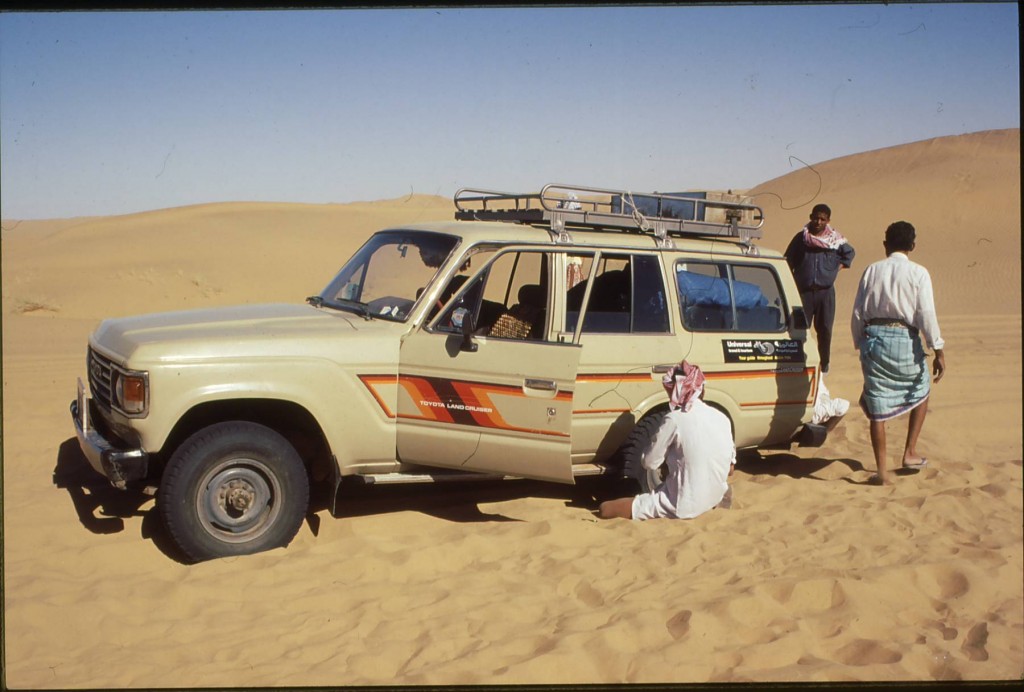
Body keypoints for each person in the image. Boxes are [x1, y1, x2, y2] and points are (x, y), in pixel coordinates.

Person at [851, 221, 946, 486]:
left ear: (885, 245)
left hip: (873, 340)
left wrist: (861, 344)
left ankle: (882, 470)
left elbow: (858, 312)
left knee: (877, 403)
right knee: (922, 390)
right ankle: (910, 452)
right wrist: (937, 348)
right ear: (912, 246)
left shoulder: (872, 270)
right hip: (905, 338)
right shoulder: (919, 273)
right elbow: (926, 314)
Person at [598, 361, 736, 520]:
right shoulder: (722, 417)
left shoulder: (674, 419)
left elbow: (649, 463)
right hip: (715, 495)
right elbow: (730, 469)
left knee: (605, 509)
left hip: (681, 505)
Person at [784, 203, 856, 375]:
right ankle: (799, 363)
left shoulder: (835, 240)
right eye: (815, 217)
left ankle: (824, 365)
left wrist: (834, 269)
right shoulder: (801, 239)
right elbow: (788, 260)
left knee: (825, 329)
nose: (818, 221)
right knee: (800, 329)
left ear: (828, 220)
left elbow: (849, 254)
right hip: (804, 292)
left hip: (826, 293)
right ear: (810, 216)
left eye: (822, 219)